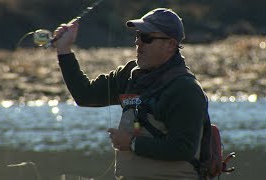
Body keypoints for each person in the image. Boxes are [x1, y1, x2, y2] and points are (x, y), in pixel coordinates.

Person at [54, 8, 208, 180]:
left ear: (171, 45)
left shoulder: (185, 89)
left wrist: (132, 144)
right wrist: (64, 51)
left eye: (146, 38)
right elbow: (85, 96)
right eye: (138, 36)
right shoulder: (129, 75)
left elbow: (183, 148)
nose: (138, 43)